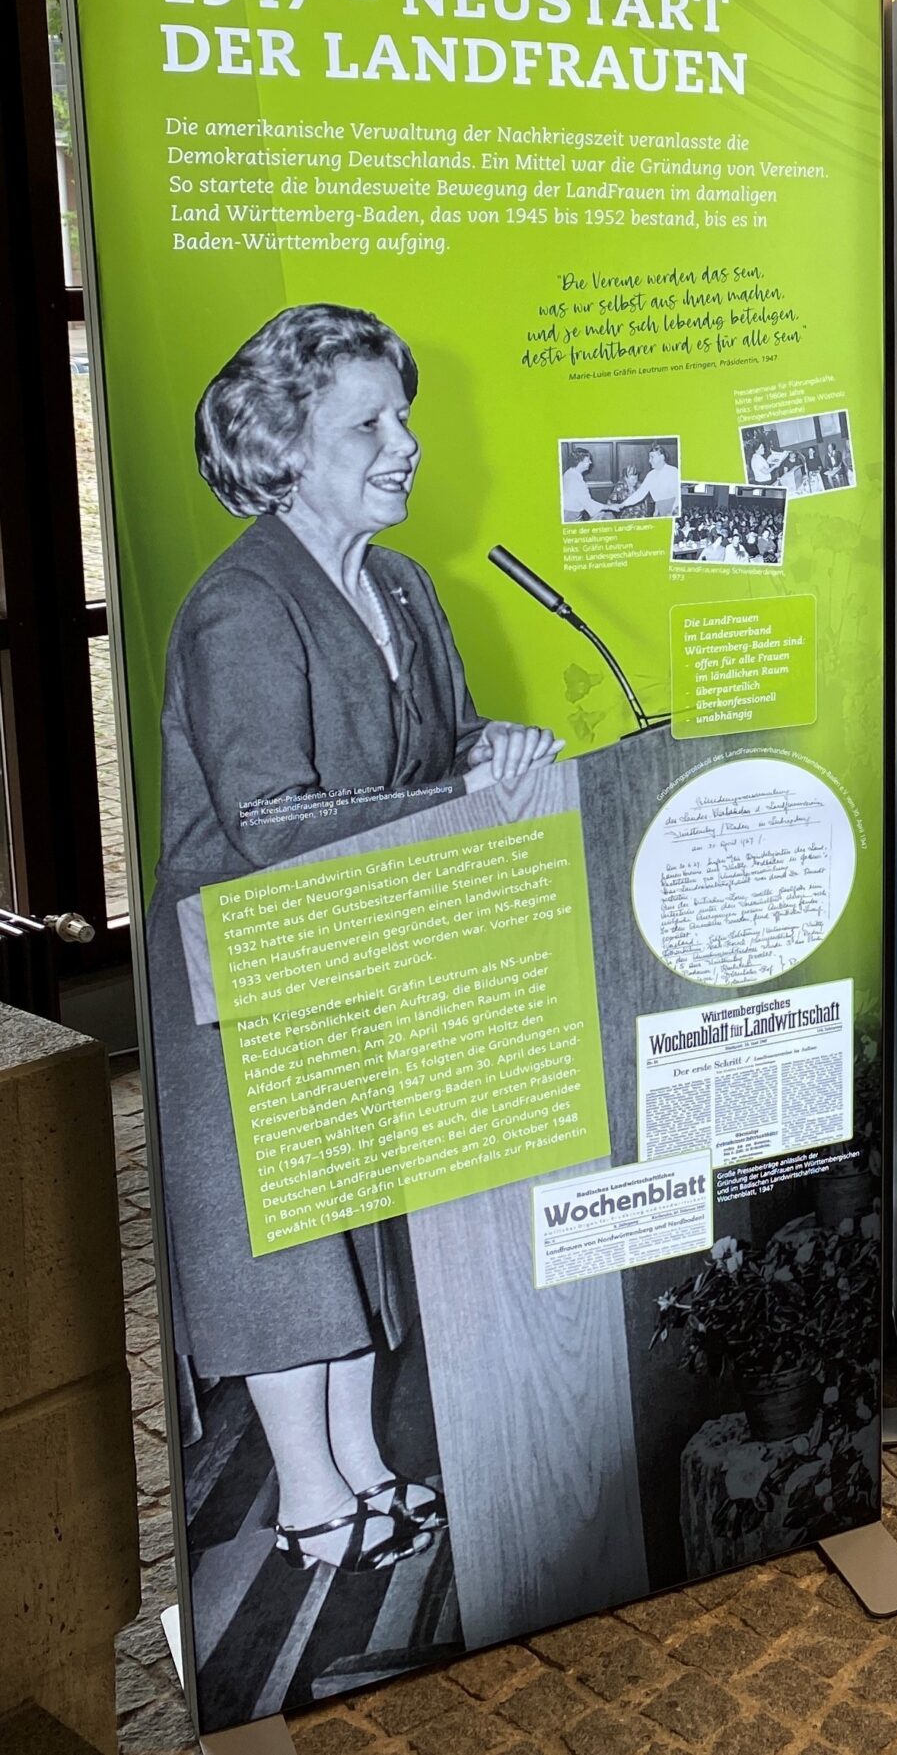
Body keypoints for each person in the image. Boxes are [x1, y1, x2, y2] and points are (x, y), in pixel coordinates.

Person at [153, 304, 562, 1576]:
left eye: (404, 414)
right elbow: (269, 818)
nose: (407, 443)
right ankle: (306, 1493)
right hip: (246, 975)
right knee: (285, 1246)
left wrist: (494, 747)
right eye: (369, 424)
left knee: (349, 1221)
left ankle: (360, 1464)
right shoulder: (238, 607)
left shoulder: (401, 584)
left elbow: (446, 744)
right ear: (283, 452)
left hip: (348, 946)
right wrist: (452, 793)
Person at [618, 442, 680, 518]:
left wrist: (673, 512)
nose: (649, 460)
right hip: (659, 511)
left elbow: (678, 496)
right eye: (649, 458)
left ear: (662, 457)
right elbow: (640, 493)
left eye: (652, 457)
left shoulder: (673, 472)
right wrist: (623, 504)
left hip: (673, 511)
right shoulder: (651, 475)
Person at [561, 447, 603, 522]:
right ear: (580, 463)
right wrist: (610, 507)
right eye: (588, 460)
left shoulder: (570, 473)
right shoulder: (575, 480)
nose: (590, 462)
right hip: (571, 517)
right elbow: (589, 504)